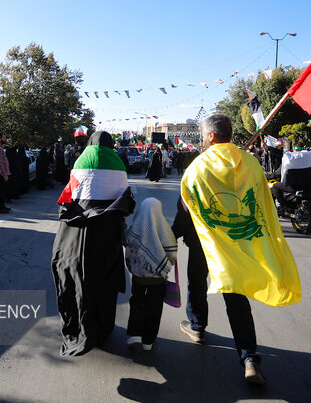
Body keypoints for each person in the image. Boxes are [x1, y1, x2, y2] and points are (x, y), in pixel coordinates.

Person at [173, 115, 301, 385]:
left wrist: (174, 234)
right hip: (238, 243)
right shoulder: (250, 163)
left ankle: (197, 328)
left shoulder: (198, 167)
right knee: (236, 297)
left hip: (204, 241)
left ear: (210, 136)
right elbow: (262, 201)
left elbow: (186, 204)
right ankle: (250, 358)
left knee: (196, 281)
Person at [51, 131, 135, 356]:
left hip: (77, 234)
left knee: (77, 281)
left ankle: (80, 327)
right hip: (107, 235)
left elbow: (69, 195)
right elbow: (125, 199)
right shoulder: (117, 162)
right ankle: (103, 327)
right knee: (104, 284)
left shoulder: (81, 159)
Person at [124, 197, 177, 351]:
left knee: (137, 302)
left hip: (138, 277)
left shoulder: (135, 228)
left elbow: (126, 241)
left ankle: (134, 333)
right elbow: (172, 253)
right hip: (158, 279)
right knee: (155, 307)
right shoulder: (165, 229)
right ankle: (148, 341)